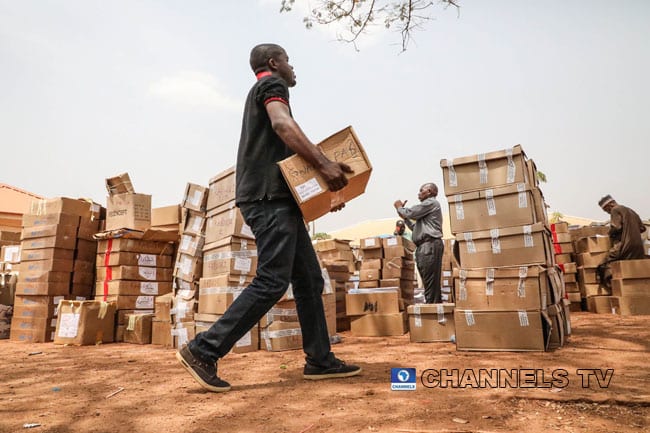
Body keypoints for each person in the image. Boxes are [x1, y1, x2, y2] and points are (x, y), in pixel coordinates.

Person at [176, 43, 361, 393]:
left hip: (277, 200)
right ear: (274, 63)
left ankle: (320, 360)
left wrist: (327, 188)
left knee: (308, 280)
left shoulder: (263, 93)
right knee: (273, 280)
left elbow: (291, 164)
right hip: (267, 200)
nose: (293, 68)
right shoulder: (270, 86)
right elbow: (282, 124)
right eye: (289, 61)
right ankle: (204, 350)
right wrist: (324, 164)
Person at [394, 183, 444, 303]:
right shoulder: (426, 213)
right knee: (428, 281)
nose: (418, 193)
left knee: (430, 282)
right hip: (424, 247)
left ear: (430, 191)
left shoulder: (431, 203)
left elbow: (411, 212)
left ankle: (432, 309)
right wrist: (404, 216)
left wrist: (399, 208)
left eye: (421, 190)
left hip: (429, 245)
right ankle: (433, 306)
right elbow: (414, 227)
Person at [596, 195, 647, 288]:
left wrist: (610, 234)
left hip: (624, 245)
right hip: (639, 247)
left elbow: (616, 227)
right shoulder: (631, 211)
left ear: (610, 205)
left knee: (603, 264)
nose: (607, 212)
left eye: (606, 210)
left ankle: (613, 288)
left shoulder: (615, 210)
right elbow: (642, 228)